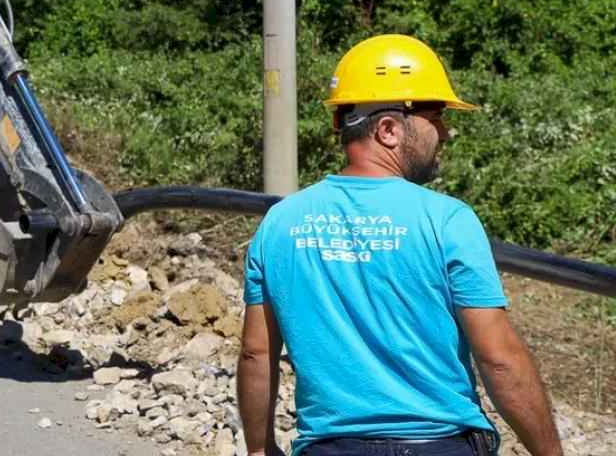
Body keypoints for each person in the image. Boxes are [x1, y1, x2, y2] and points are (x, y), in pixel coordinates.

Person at [237, 34, 562, 456]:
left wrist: (260, 448)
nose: (445, 132)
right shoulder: (447, 220)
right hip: (441, 445)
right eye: (436, 115)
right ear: (389, 129)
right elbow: (499, 360)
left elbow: (255, 353)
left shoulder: (280, 223)